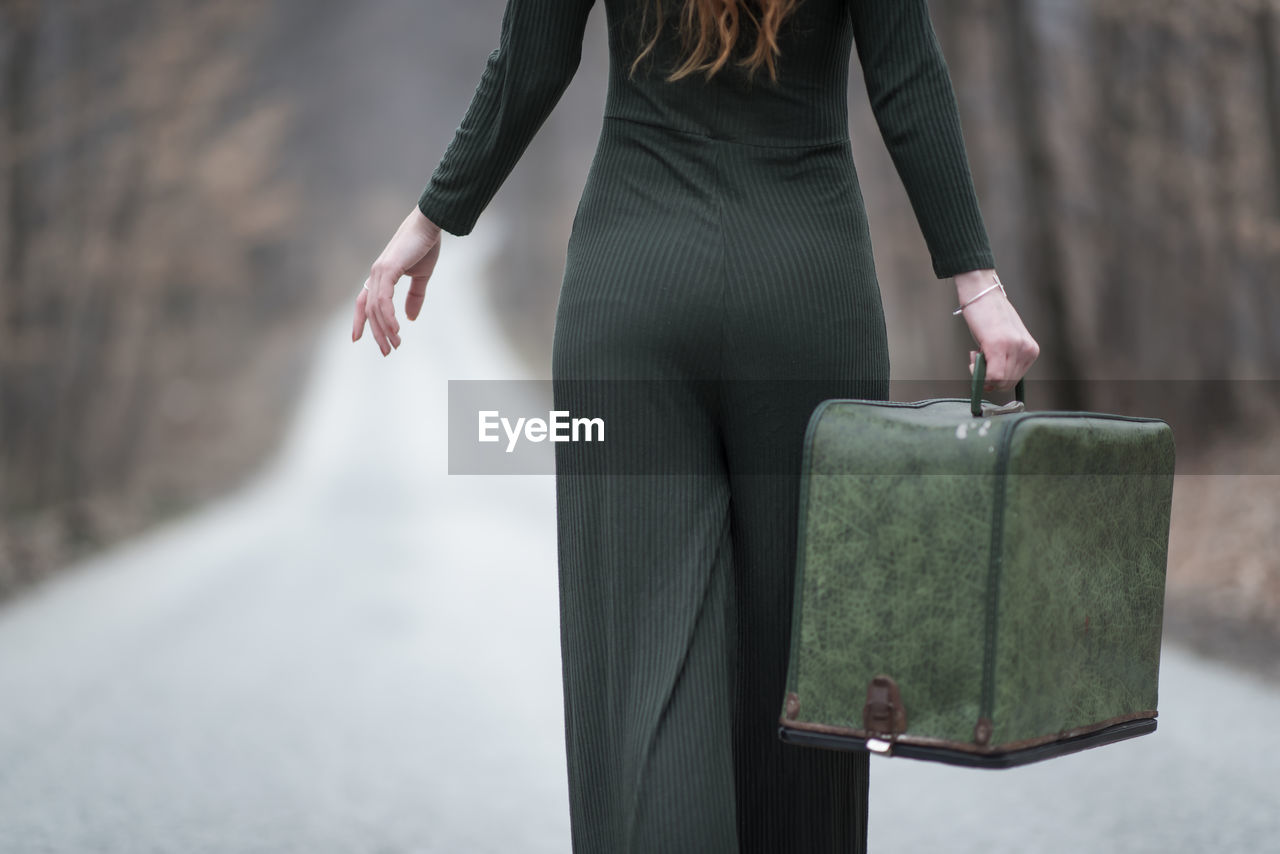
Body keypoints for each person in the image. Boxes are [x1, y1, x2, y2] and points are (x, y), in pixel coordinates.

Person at [352, 0, 1039, 851]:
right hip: (808, 295)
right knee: (806, 687)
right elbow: (909, 79)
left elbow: (528, 64)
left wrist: (432, 217)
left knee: (648, 677)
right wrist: (977, 284)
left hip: (631, 293)